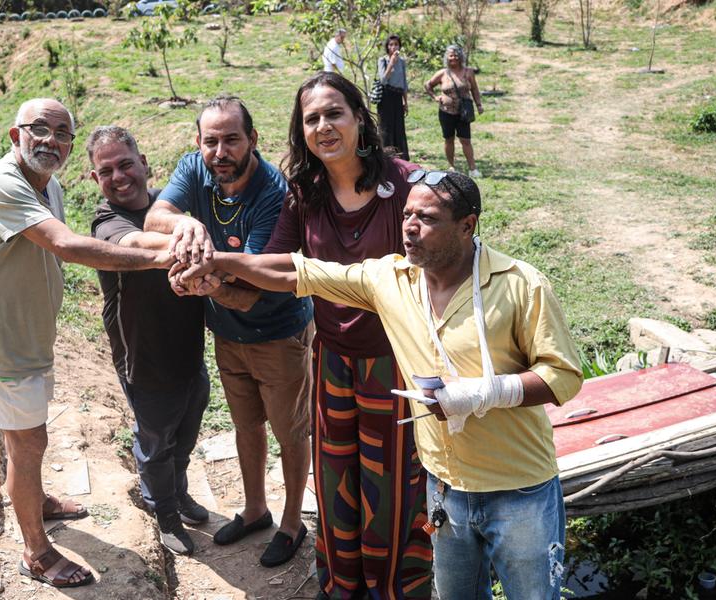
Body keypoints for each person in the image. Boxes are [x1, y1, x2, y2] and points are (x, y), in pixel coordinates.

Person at [171, 170, 584, 600]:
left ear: (467, 225)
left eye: (426, 217)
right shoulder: (391, 279)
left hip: (517, 491)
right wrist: (216, 261)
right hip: (445, 489)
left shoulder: (520, 284)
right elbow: (295, 272)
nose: (409, 226)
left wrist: (484, 393)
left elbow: (564, 376)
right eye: (406, 214)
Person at [0, 99, 173, 589]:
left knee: (25, 435)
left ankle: (39, 500)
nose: (51, 139)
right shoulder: (3, 184)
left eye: (63, 133)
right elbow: (68, 247)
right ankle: (36, 549)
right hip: (1, 339)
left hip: (27, 334)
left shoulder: (49, 186)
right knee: (29, 441)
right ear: (15, 135)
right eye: (39, 129)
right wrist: (161, 260)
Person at [268, 71, 431, 600]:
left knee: (391, 486)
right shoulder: (304, 194)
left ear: (360, 117)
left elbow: (450, 258)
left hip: (398, 364)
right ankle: (342, 586)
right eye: (311, 119)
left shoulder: (407, 185)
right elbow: (275, 265)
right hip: (334, 360)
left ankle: (396, 589)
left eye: (334, 113)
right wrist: (214, 271)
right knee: (336, 477)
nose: (324, 126)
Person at [143, 95, 315, 568]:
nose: (220, 152)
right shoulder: (193, 168)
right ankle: (256, 509)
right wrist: (189, 224)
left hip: (277, 332)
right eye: (210, 141)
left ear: (253, 140)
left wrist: (196, 277)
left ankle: (292, 523)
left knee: (290, 430)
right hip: (228, 333)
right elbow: (155, 217)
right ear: (199, 143)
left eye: (231, 140)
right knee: (245, 425)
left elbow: (250, 289)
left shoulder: (273, 194)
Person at [86, 126, 216, 557]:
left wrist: (186, 223)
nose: (119, 176)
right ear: (94, 180)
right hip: (143, 358)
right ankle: (164, 514)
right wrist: (190, 235)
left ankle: (177, 493)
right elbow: (137, 243)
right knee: (155, 442)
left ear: (145, 164)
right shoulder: (107, 222)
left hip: (188, 351)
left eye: (125, 164)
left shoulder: (170, 206)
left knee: (188, 429)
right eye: (106, 171)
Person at [424, 45, 484, 178]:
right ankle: (451, 166)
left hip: (463, 112)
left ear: (461, 57)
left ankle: (472, 168)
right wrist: (435, 97)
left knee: (466, 140)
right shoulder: (442, 73)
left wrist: (479, 105)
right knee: (448, 139)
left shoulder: (468, 72)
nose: (454, 58)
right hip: (446, 112)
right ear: (447, 58)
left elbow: (474, 89)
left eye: (456, 55)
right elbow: (428, 85)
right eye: (451, 55)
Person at [376, 34, 409, 160]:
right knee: (386, 126)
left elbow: (404, 83)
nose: (394, 47)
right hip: (386, 96)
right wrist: (391, 63)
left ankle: (400, 156)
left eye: (396, 44)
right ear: (387, 47)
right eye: (391, 44)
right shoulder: (382, 60)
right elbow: (383, 80)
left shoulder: (402, 62)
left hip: (397, 96)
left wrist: (405, 102)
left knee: (398, 127)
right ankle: (385, 155)